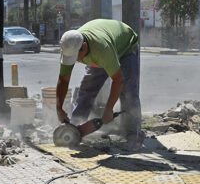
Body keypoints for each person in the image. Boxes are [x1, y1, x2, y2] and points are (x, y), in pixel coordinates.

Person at [55, 19, 143, 151]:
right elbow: (63, 80)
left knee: (128, 92)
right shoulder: (70, 46)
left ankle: (132, 135)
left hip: (125, 47)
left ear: (84, 47)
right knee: (87, 89)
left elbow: (118, 80)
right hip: (101, 49)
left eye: (77, 57)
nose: (77, 61)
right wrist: (59, 108)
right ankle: (75, 126)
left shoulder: (102, 49)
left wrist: (109, 109)